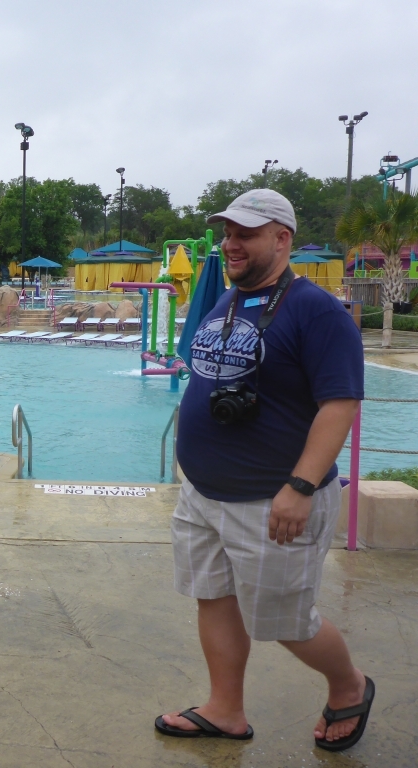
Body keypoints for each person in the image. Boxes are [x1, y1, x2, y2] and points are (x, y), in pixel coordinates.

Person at [154, 189, 373, 752]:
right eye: (227, 233)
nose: (231, 244)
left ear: (282, 239)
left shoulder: (314, 309)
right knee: (214, 597)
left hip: (272, 500)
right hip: (204, 492)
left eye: (245, 234)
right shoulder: (227, 301)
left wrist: (300, 487)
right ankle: (225, 709)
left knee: (285, 621)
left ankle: (349, 687)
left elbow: (341, 403)